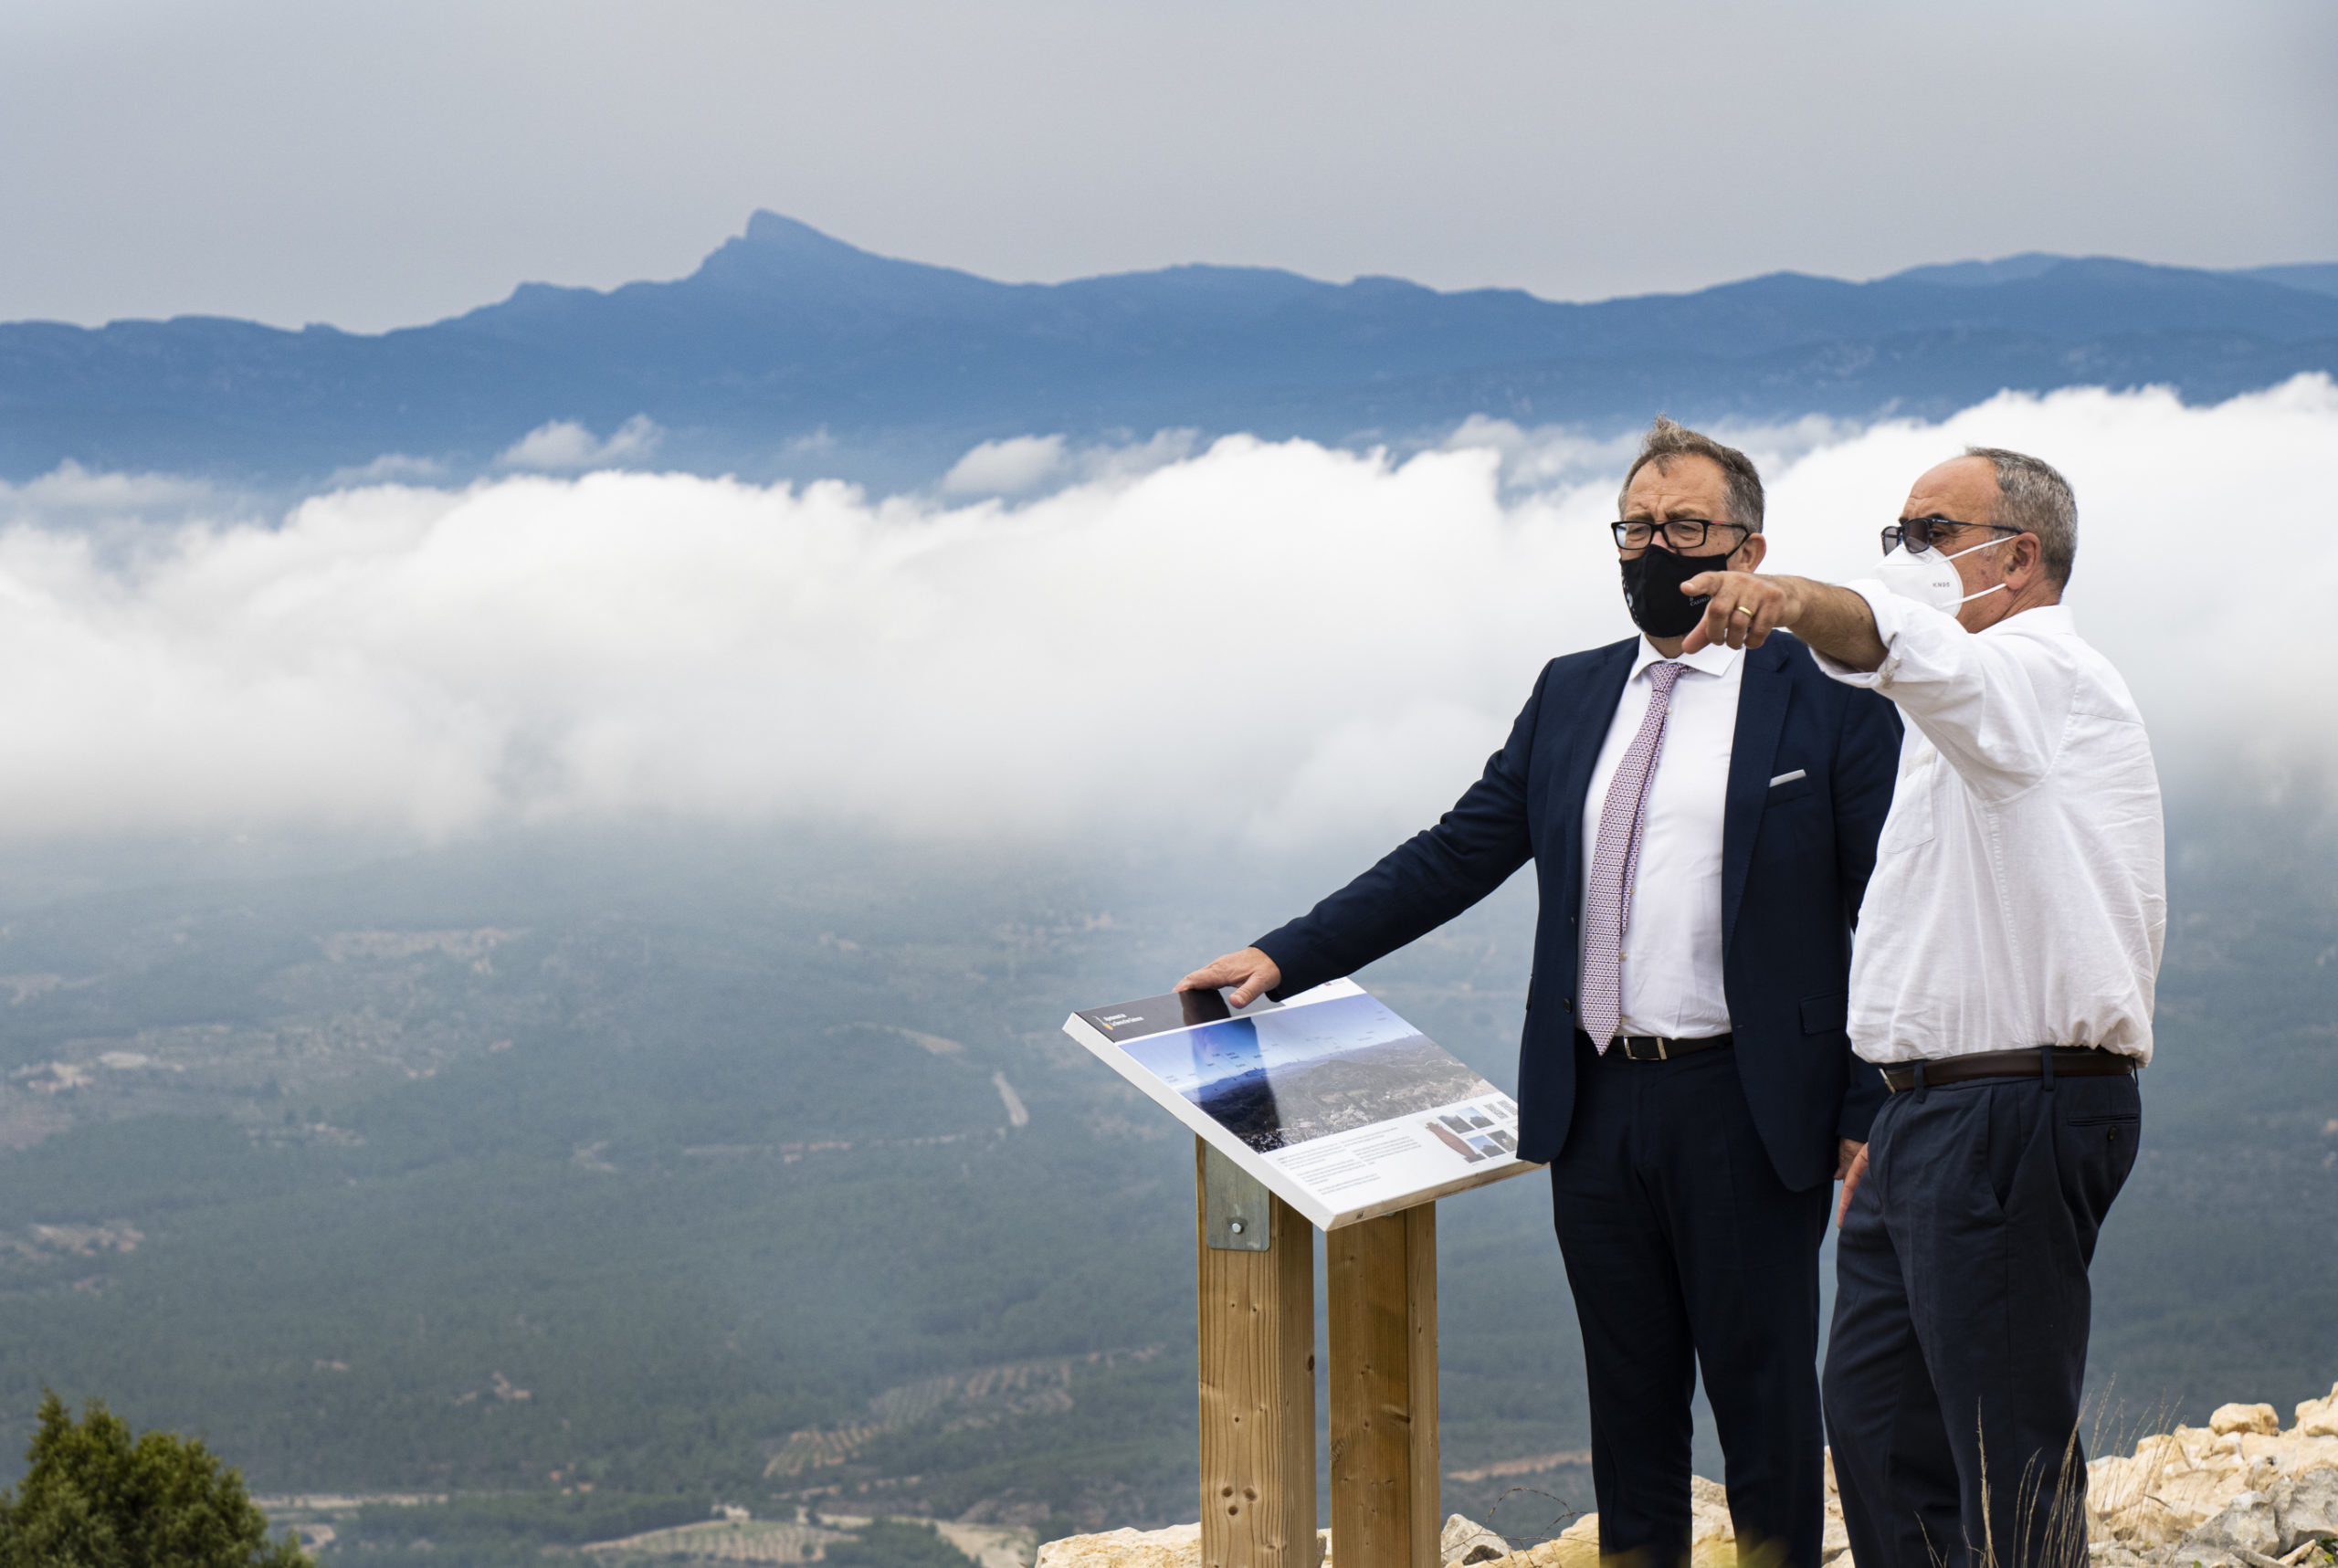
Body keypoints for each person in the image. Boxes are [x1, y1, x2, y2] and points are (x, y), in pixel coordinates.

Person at [1180, 418, 1901, 1568]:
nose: (1652, 549)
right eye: (1635, 525)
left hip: (1750, 1103)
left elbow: (1892, 915)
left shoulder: (1830, 709)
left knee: (1763, 1415)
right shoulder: (1572, 694)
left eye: (1684, 528)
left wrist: (1868, 1101)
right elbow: (1455, 851)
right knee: (1628, 1412)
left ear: (1750, 551)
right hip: (1592, 1103)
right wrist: (1285, 955)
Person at [1671, 447, 2164, 1568]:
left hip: (2008, 1104)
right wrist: (1886, 1114)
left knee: (2004, 1453)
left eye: (1932, 532)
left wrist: (1793, 599)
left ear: (2020, 555)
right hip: (1928, 1116)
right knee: (1882, 1428)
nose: (1912, 556)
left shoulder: (2044, 676)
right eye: (1898, 537)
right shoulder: (1976, 716)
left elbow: (1915, 649)